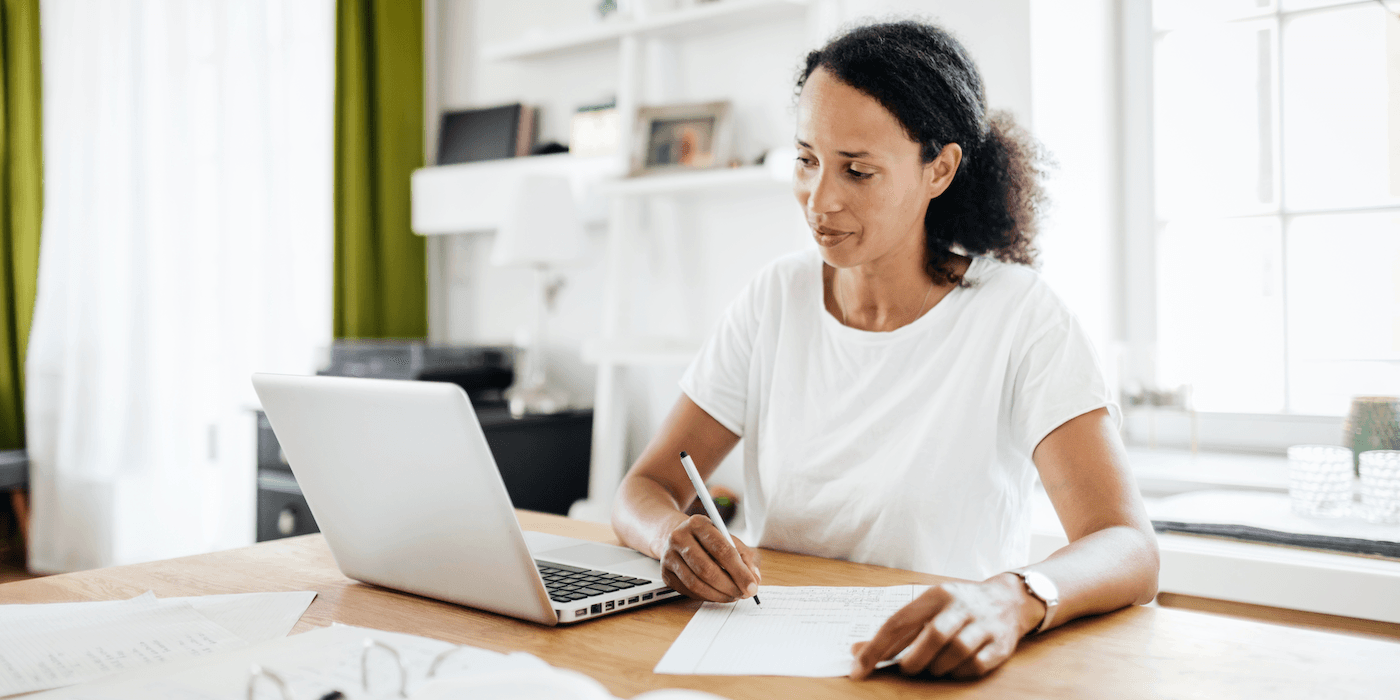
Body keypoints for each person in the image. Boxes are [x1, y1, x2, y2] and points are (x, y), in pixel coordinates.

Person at [611, 20, 1159, 680]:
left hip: (938, 666)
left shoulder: (1019, 315)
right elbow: (644, 487)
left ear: (940, 169)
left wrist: (1010, 597)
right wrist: (669, 535)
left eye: (858, 170)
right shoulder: (774, 299)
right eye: (807, 159)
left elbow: (1128, 547)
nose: (821, 200)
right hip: (771, 658)